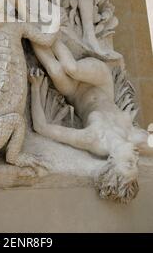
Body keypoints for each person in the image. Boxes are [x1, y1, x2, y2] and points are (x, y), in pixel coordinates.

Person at [29, 38, 151, 203]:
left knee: (55, 70)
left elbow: (41, 127)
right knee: (71, 68)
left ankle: (30, 26)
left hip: (74, 91)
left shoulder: (94, 140)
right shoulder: (134, 137)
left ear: (112, 161)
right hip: (101, 83)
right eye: (137, 164)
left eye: (130, 164)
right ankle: (50, 31)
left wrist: (36, 88)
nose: (136, 158)